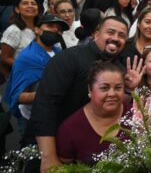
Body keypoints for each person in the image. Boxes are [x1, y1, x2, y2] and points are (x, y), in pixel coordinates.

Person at [28, 16, 140, 172]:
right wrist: (49, 157)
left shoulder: (119, 68)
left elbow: (116, 106)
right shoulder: (68, 58)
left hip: (91, 153)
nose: (115, 38)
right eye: (110, 32)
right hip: (53, 148)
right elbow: (45, 105)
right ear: (96, 34)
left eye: (121, 35)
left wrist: (128, 89)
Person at [4, 14, 68, 135]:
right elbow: (19, 97)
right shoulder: (28, 58)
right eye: (50, 26)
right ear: (37, 30)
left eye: (59, 29)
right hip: (33, 119)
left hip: (54, 114)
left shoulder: (58, 52)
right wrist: (50, 93)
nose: (55, 30)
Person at [56, 61, 130, 165]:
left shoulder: (135, 115)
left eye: (118, 88)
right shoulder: (69, 129)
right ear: (90, 90)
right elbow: (64, 167)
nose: (112, 94)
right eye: (104, 88)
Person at [0, 0, 39, 76]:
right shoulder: (14, 30)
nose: (30, 6)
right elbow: (5, 58)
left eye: (33, 3)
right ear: (17, 9)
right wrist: (28, 67)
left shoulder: (40, 29)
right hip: (21, 76)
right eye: (25, 3)